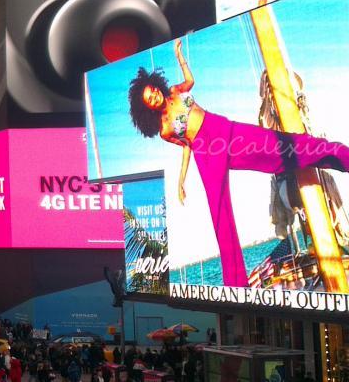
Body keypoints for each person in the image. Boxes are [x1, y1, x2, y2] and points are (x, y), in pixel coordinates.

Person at [128, 37, 349, 287]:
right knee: (220, 212)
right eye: (149, 98)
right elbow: (186, 149)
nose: (155, 96)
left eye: (153, 90)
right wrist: (181, 182)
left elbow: (191, 80)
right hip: (205, 151)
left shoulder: (177, 92)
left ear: (156, 85)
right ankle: (236, 284)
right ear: (147, 107)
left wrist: (179, 55)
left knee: (278, 144)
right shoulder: (165, 129)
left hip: (223, 130)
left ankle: (341, 156)